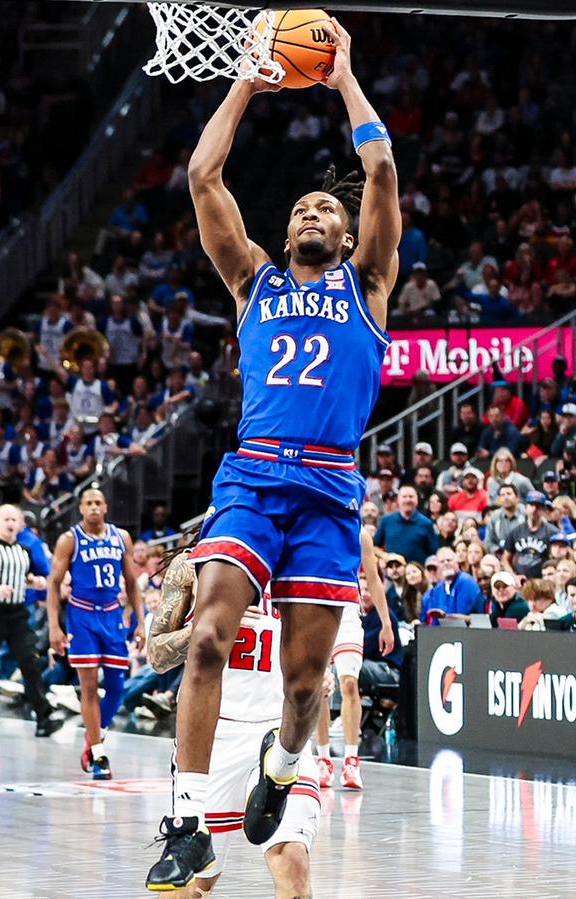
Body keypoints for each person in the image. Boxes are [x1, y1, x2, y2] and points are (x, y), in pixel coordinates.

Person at [149, 20, 401, 891]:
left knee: (305, 690)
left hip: (329, 489)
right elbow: (203, 176)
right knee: (210, 635)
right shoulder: (253, 281)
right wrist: (249, 84)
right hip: (255, 472)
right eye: (301, 207)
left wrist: (343, 80)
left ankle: (286, 766)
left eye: (323, 209)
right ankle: (184, 822)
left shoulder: (367, 286)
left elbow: (380, 171)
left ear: (344, 233)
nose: (311, 212)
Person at [145, 542, 323, 899]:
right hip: (213, 736)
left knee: (293, 860)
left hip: (279, 730)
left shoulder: (301, 557)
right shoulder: (193, 562)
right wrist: (214, 626)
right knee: (191, 885)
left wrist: (321, 668)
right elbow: (156, 654)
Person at [47, 488, 144, 780]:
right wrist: (54, 626)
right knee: (88, 687)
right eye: (88, 503)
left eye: (98, 502)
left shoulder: (121, 537)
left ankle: (93, 738)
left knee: (117, 686)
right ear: (80, 509)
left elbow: (132, 582)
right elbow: (53, 584)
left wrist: (140, 621)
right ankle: (100, 756)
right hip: (82, 616)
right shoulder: (69, 540)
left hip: (112, 614)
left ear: (106, 507)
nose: (93, 507)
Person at [0, 504, 59, 737]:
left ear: (20, 524)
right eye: (5, 519)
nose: (10, 523)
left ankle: (43, 718)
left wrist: (33, 582)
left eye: (14, 519)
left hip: (17, 616)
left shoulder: (25, 551)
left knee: (30, 664)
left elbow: (21, 576)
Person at [313, 530, 393, 790]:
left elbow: (373, 579)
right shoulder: (314, 522)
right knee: (319, 688)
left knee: (349, 684)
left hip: (347, 609)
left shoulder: (360, 534)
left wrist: (386, 623)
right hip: (316, 606)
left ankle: (351, 760)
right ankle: (323, 758)